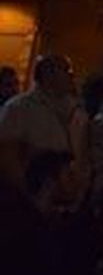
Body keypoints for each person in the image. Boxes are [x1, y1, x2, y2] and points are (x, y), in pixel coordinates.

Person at [0, 55, 88, 195]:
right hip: (31, 198)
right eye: (66, 70)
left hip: (70, 199)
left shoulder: (76, 110)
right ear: (48, 74)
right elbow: (7, 157)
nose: (72, 76)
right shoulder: (19, 108)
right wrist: (29, 192)